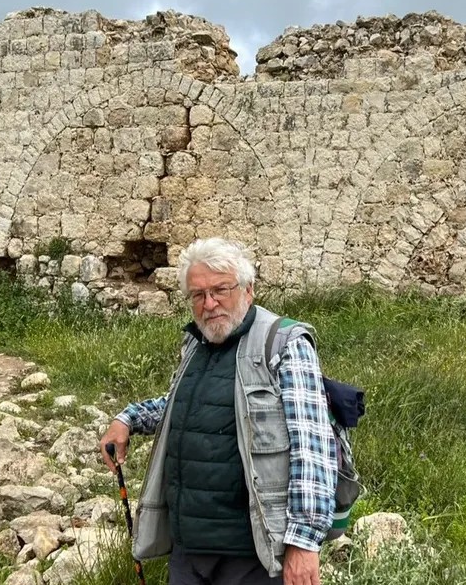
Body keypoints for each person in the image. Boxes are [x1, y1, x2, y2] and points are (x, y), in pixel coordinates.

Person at [99, 237, 338, 585]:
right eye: (198, 294)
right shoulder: (197, 342)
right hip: (188, 551)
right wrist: (129, 418)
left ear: (248, 289)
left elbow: (312, 446)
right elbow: (182, 406)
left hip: (252, 558)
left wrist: (304, 542)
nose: (209, 304)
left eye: (220, 290)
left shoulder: (285, 344)